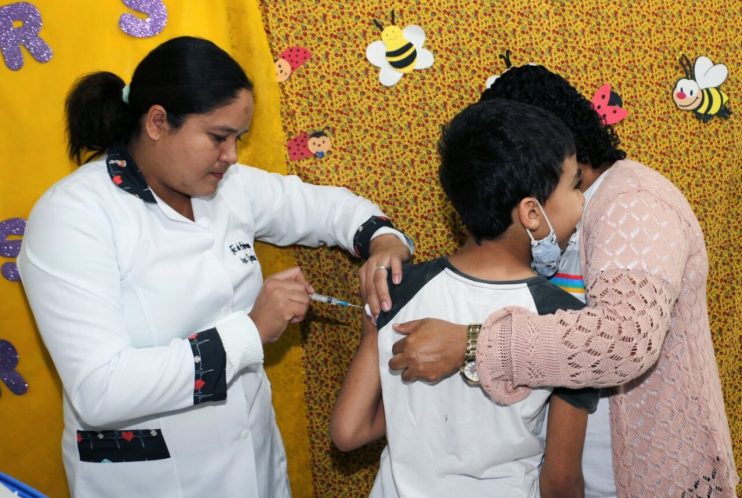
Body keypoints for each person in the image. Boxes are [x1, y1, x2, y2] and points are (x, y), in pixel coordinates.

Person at [17, 36, 413, 498]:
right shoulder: (73, 216)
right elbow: (101, 389)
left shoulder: (227, 188)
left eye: (238, 139)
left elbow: (326, 210)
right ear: (158, 122)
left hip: (253, 469)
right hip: (150, 479)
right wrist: (251, 331)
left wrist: (384, 241)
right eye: (218, 137)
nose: (232, 156)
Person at [385, 65, 738, 497]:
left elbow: (625, 338)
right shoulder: (533, 226)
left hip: (638, 479)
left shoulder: (635, 202)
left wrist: (473, 344)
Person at [331, 98, 599, 497]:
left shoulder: (398, 290)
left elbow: (348, 432)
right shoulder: (565, 325)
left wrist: (377, 335)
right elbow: (560, 481)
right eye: (575, 184)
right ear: (531, 213)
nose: (582, 200)